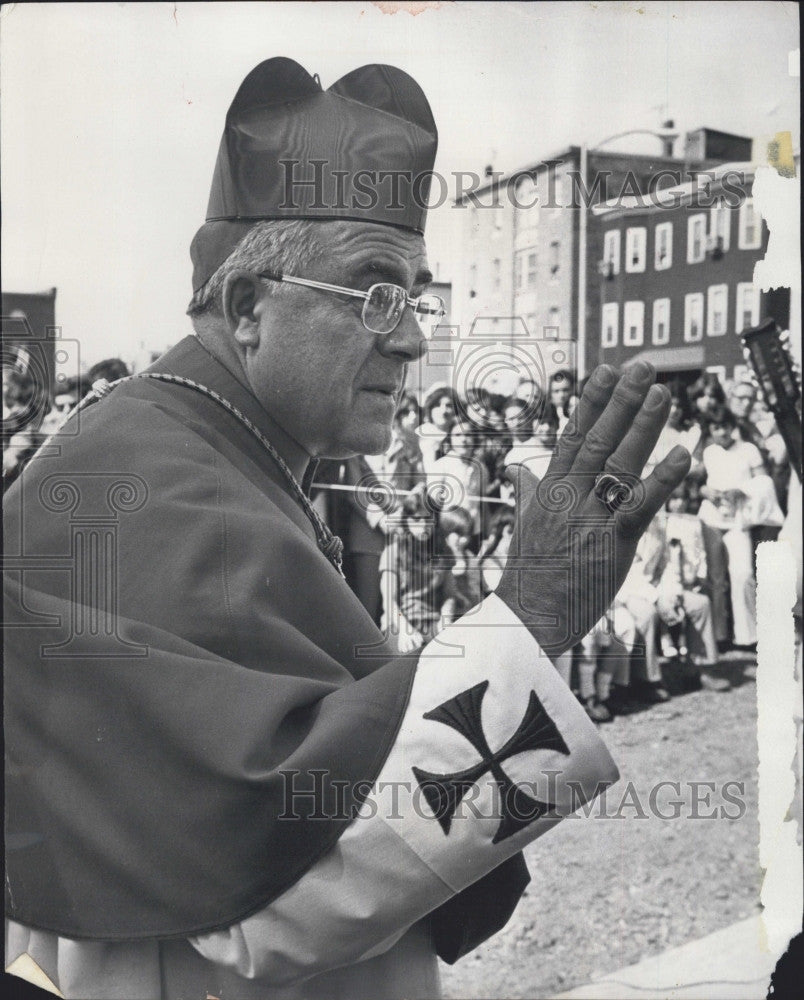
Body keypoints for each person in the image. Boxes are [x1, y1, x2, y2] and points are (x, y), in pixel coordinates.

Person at [4, 57, 689, 1000]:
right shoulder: (136, 486)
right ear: (250, 307)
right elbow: (256, 900)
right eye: (374, 290)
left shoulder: (213, 452)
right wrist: (528, 618)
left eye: (416, 294)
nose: (410, 337)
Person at [699, 405, 779, 648]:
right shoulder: (709, 452)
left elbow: (764, 482)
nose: (721, 432)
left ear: (732, 427)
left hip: (739, 520)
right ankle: (720, 637)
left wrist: (742, 490)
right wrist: (706, 491)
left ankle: (748, 635)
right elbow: (701, 484)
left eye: (725, 427)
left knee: (742, 575)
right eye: (716, 428)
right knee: (716, 579)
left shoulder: (748, 450)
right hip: (712, 518)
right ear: (710, 431)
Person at [417, 383, 456, 474]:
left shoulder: (459, 435)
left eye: (449, 406)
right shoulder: (420, 433)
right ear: (430, 408)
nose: (443, 411)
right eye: (437, 405)